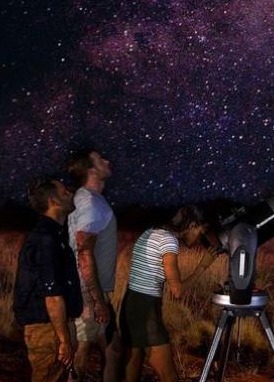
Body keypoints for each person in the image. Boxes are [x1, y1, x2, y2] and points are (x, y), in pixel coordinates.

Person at [120, 206, 212, 382]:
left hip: (130, 305)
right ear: (192, 225)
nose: (201, 238)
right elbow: (177, 291)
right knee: (169, 376)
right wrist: (203, 265)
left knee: (132, 368)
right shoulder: (168, 241)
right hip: (146, 312)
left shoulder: (150, 232)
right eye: (202, 231)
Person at [13, 177, 84, 382]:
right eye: (64, 192)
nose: (70, 193)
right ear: (53, 202)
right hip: (48, 328)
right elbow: (52, 294)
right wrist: (63, 340)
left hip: (54, 326)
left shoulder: (55, 234)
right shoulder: (46, 238)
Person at [66, 149, 123, 382]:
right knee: (82, 351)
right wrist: (97, 300)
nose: (108, 160)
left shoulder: (86, 199)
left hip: (89, 291)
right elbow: (84, 250)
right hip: (87, 292)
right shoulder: (90, 202)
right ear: (90, 170)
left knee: (113, 349)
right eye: (101, 159)